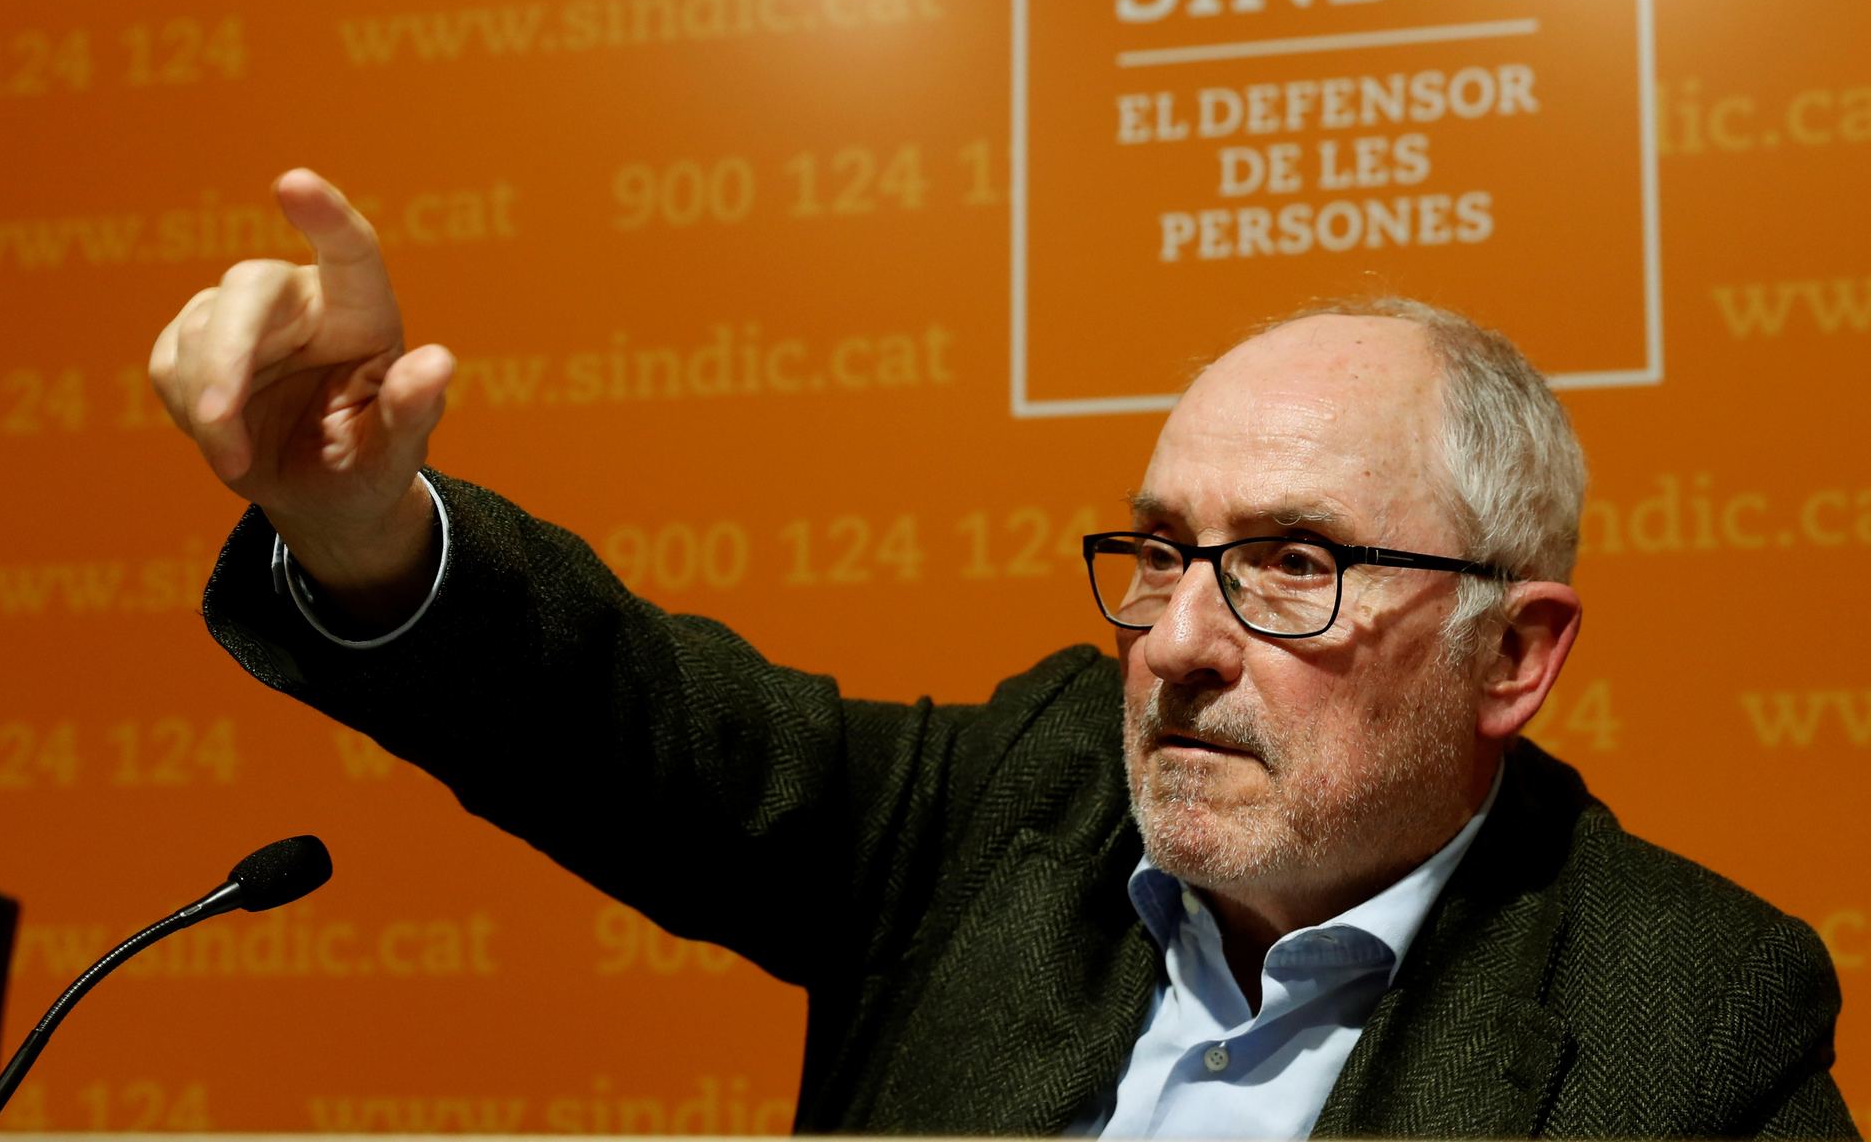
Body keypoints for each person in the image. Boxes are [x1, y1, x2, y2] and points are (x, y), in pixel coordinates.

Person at [151, 169, 1856, 1137]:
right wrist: (368, 531)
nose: (1178, 642)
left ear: (1513, 658)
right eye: (1165, 551)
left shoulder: (1691, 1022)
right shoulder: (1024, 803)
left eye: (1290, 567)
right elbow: (639, 728)